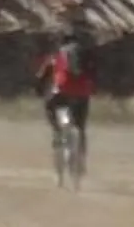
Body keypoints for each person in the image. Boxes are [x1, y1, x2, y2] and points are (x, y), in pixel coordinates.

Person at [37, 29, 95, 170]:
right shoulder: (87, 54)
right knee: (80, 127)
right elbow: (94, 74)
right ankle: (81, 160)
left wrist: (40, 90)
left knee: (54, 111)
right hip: (82, 93)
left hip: (62, 92)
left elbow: (41, 76)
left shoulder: (56, 56)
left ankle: (58, 132)